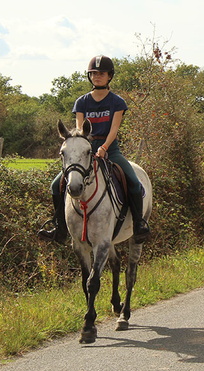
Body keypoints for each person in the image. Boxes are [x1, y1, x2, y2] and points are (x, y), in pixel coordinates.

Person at [38, 55, 150, 243]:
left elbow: (114, 129)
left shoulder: (117, 102)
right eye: (94, 73)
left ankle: (138, 224)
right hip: (85, 152)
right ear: (89, 76)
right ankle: (59, 228)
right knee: (56, 185)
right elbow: (80, 130)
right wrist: (86, 149)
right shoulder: (81, 102)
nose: (97, 76)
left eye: (101, 73)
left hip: (110, 150)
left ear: (109, 76)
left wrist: (104, 147)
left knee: (133, 182)